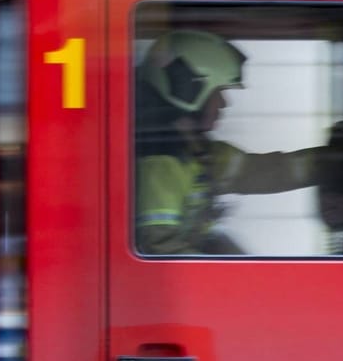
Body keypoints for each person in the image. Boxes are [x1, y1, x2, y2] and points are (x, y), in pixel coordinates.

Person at [133, 29, 325, 256]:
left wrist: (342, 159)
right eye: (219, 91)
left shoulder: (199, 152)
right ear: (188, 88)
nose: (224, 103)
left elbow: (268, 171)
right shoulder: (161, 164)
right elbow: (161, 248)